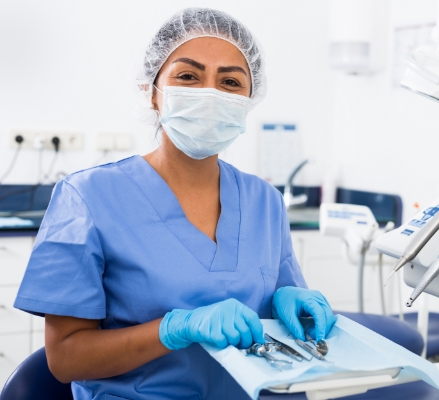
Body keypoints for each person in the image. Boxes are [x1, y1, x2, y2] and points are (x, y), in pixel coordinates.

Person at [14, 7, 336, 400]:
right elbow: (65, 359)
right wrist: (174, 329)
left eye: (231, 82)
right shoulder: (88, 198)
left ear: (249, 100)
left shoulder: (264, 201)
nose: (210, 94)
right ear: (153, 91)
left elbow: (282, 324)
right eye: (188, 76)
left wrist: (291, 304)